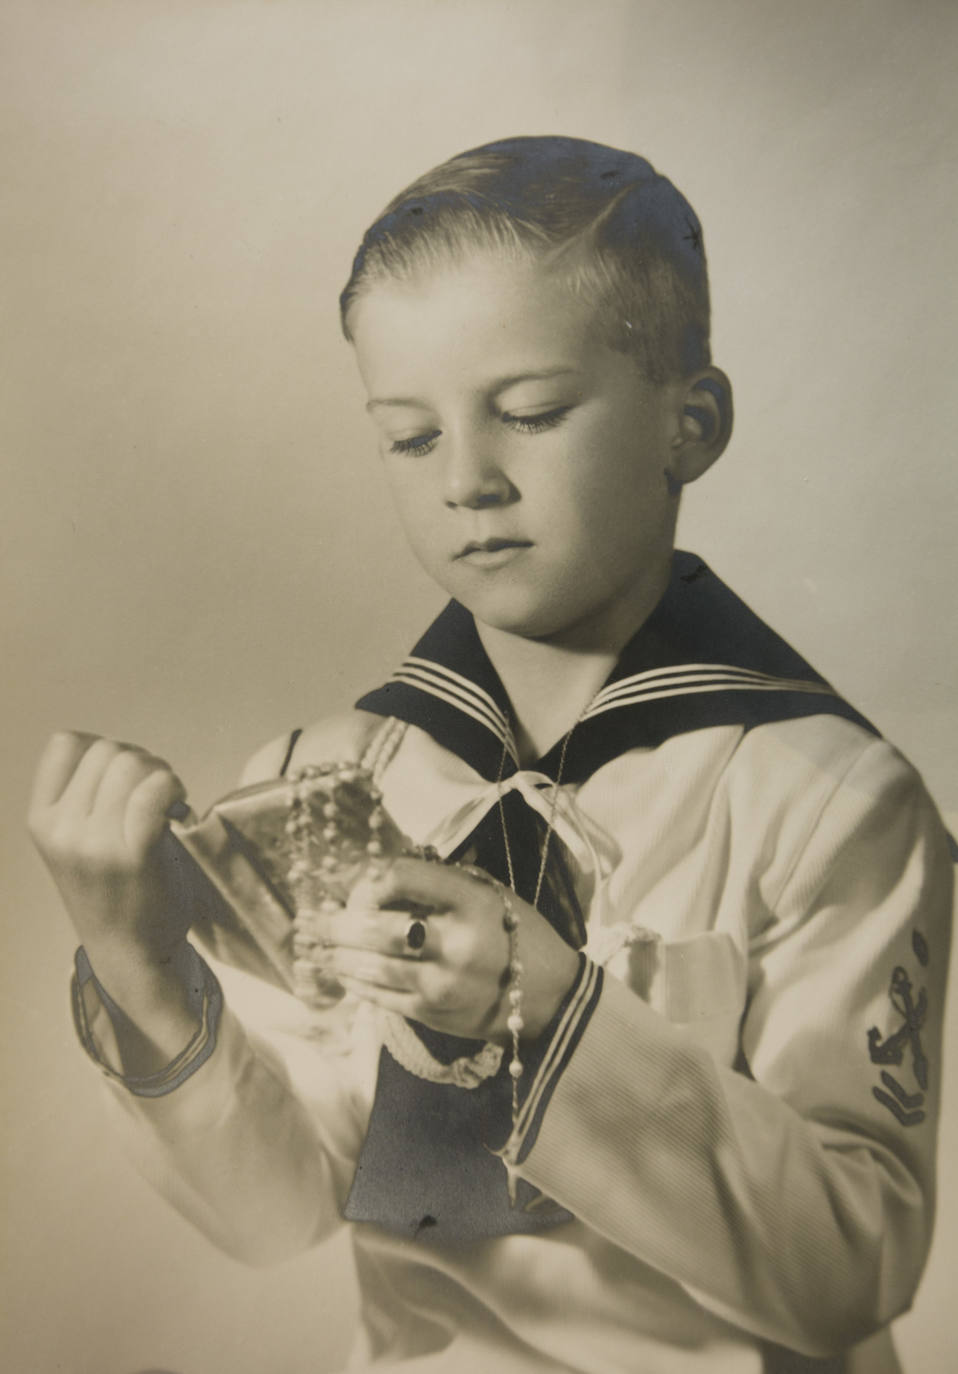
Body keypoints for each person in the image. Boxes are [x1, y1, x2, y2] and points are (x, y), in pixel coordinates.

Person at [27, 137, 953, 1374]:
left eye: (528, 414)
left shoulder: (830, 803)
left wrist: (556, 1013)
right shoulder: (322, 777)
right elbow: (278, 1213)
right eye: (410, 439)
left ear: (692, 423)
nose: (467, 480)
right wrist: (136, 967)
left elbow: (851, 1271)